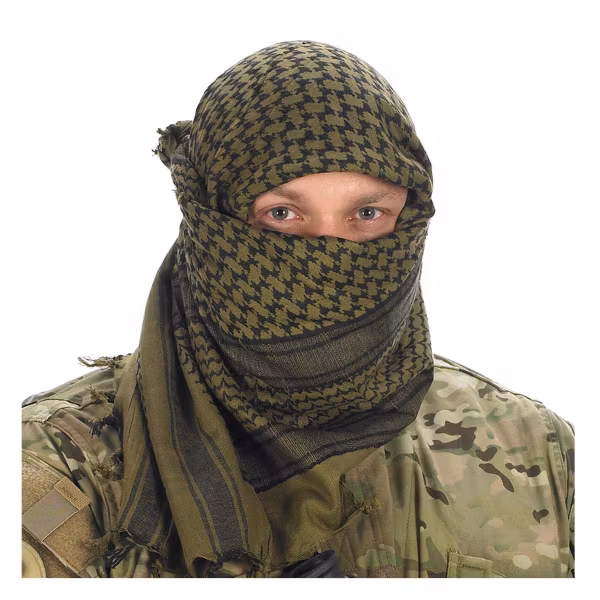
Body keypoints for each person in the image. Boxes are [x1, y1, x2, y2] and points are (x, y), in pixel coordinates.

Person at [21, 40, 574, 578]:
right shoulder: (54, 470)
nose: (329, 253)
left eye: (368, 213)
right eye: (282, 213)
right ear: (209, 220)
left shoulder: (536, 452)